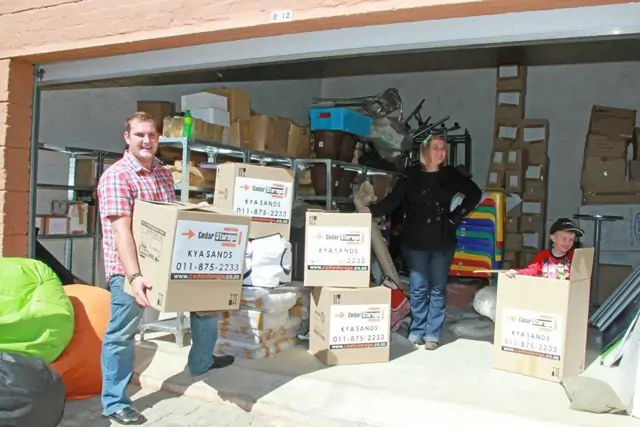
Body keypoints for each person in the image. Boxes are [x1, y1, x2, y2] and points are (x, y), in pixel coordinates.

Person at [97, 112, 234, 425]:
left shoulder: (161, 172)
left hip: (164, 263)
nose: (146, 141)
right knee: (122, 333)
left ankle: (201, 362)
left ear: (159, 138)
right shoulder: (117, 177)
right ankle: (114, 402)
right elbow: (121, 232)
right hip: (128, 268)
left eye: (152, 135)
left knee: (205, 305)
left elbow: (169, 219)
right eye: (139, 135)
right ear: (127, 137)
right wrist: (134, 276)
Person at [359, 135, 481, 350]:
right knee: (418, 287)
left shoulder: (450, 175)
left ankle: (432, 333)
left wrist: (456, 217)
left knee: (437, 288)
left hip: (443, 239)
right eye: (436, 147)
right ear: (425, 151)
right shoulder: (411, 174)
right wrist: (371, 210)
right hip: (415, 239)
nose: (441, 152)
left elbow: (474, 193)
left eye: (443, 148)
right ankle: (417, 329)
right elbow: (393, 200)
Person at [506, 218, 584, 280]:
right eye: (564, 238)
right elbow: (532, 270)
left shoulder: (575, 257)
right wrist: (518, 272)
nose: (567, 243)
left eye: (571, 240)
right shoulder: (543, 256)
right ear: (553, 238)